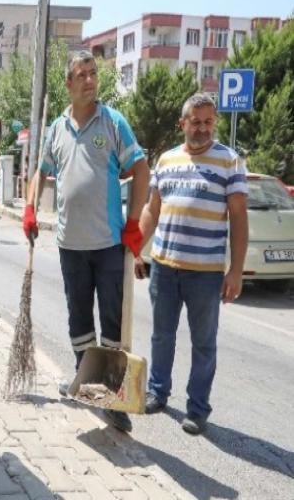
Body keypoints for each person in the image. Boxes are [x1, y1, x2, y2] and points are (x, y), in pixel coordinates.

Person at [23, 50, 149, 433]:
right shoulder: (56, 129)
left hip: (109, 243)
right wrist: (29, 209)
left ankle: (112, 399)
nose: (90, 80)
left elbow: (141, 170)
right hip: (70, 245)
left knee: (112, 323)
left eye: (93, 73)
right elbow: (40, 173)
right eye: (82, 74)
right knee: (79, 319)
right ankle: (85, 379)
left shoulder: (112, 122)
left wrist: (133, 225)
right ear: (69, 83)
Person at [134, 92, 248, 435]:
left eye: (208, 122)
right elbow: (152, 210)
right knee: (161, 336)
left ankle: (197, 409)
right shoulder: (166, 160)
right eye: (195, 122)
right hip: (165, 267)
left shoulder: (229, 162)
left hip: (206, 273)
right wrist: (136, 249)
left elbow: (239, 218)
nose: (202, 129)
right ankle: (158, 392)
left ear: (215, 123)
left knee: (204, 343)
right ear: (183, 123)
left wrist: (236, 270)